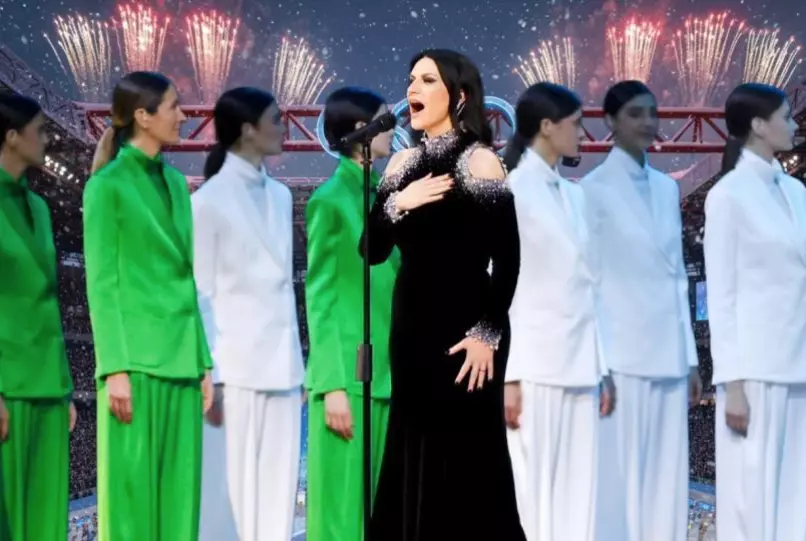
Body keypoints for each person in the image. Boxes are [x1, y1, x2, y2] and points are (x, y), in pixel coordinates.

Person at [363, 49, 526, 540]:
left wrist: (487, 334)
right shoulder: (401, 164)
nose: (412, 88)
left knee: (468, 451)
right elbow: (371, 250)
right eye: (411, 79)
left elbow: (508, 259)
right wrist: (398, 202)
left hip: (468, 331)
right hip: (411, 328)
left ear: (459, 96)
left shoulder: (480, 161)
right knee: (411, 442)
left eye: (427, 80)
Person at [83, 71, 214, 540]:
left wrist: (202, 361)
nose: (183, 115)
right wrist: (114, 367)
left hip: (181, 360)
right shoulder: (106, 185)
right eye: (174, 106)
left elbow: (186, 278)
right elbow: (101, 283)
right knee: (131, 505)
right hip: (135, 365)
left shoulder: (178, 184)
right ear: (142, 115)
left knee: (181, 504)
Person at [582, 80, 702, 541]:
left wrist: (690, 357)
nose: (648, 122)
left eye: (653, 113)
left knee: (668, 481)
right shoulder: (591, 190)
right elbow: (588, 282)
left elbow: (677, 278)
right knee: (619, 477)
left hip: (668, 355)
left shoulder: (667, 190)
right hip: (620, 357)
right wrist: (597, 363)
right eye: (636, 113)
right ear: (611, 121)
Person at [502, 83, 615, 541]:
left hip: (581, 368)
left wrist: (602, 366)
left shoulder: (576, 197)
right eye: (576, 124)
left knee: (579, 499)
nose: (584, 134)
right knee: (532, 500)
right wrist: (508, 376)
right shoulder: (510, 191)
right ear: (547, 127)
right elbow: (497, 287)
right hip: (533, 370)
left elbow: (592, 288)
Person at [193, 86, 304, 541]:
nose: (283, 129)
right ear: (247, 130)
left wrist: (296, 366)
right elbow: (200, 294)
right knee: (228, 502)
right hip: (232, 373)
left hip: (283, 371)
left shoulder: (281, 196)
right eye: (275, 120)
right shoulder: (206, 202)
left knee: (277, 503)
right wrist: (210, 375)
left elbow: (284, 292)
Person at [704, 83, 804, 541]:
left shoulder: (797, 193)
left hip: (799, 364)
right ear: (759, 126)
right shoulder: (727, 196)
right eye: (787, 116)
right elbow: (722, 296)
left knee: (796, 497)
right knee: (751, 498)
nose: (795, 124)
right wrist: (733, 384)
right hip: (756, 372)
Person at [304, 86, 399, 541]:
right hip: (348, 379)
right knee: (342, 516)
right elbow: (319, 295)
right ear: (362, 130)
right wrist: (331, 386)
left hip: (388, 376)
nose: (393, 129)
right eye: (384, 120)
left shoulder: (388, 195)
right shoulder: (329, 201)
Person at [0, 93, 76, 541]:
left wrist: (65, 387)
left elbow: (48, 303)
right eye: (40, 130)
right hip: (8, 385)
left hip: (48, 385)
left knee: (47, 522)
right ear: (12, 137)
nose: (48, 138)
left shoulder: (41, 209)